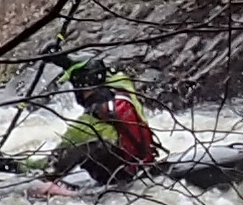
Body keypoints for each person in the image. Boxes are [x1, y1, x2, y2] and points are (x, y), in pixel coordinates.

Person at [43, 56, 163, 184]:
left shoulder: (86, 123)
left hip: (120, 177)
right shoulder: (124, 89)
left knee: (80, 149)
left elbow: (55, 157)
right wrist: (65, 62)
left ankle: (47, 180)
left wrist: (21, 165)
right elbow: (109, 74)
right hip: (143, 163)